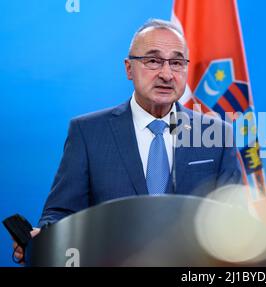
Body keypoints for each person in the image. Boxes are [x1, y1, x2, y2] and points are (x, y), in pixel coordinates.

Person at [12, 19, 242, 262]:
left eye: (176, 63)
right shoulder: (88, 132)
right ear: (129, 68)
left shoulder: (218, 134)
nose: (166, 74)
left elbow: (235, 218)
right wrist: (45, 238)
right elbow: (61, 212)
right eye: (153, 61)